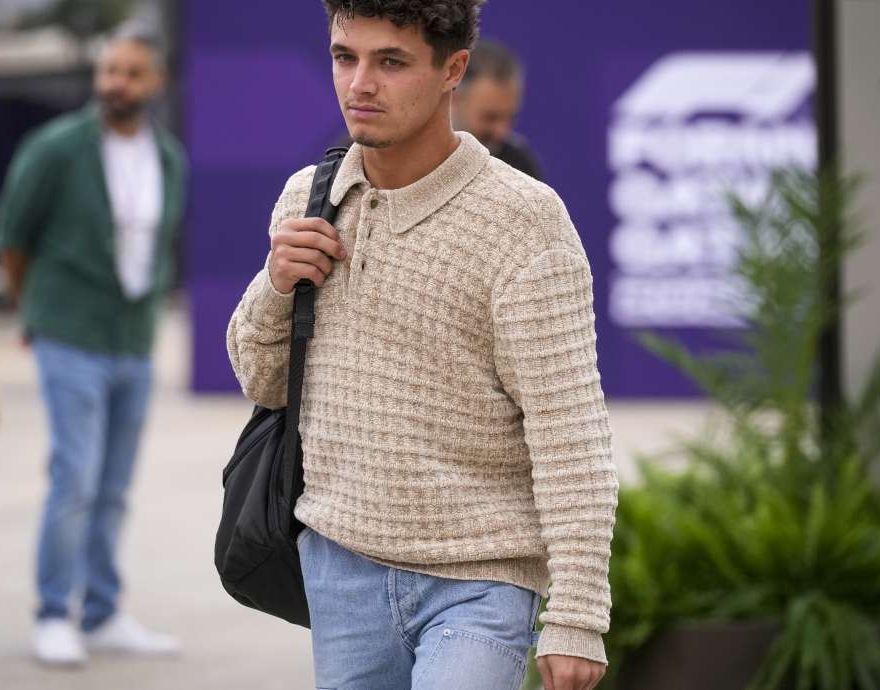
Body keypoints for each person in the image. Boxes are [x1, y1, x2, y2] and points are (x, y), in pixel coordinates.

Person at [226, 2, 617, 690]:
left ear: (452, 69)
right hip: (339, 568)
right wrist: (276, 283)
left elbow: (570, 430)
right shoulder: (309, 199)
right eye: (345, 57)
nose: (360, 84)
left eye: (391, 61)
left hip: (481, 580)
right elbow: (262, 383)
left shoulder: (526, 222)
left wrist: (578, 613)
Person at [0, 28, 187, 667]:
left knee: (115, 486)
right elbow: (12, 236)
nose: (116, 84)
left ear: (155, 82)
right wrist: (36, 311)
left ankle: (101, 613)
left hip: (133, 341)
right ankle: (53, 613)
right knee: (73, 478)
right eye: (109, 71)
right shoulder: (56, 147)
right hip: (69, 335)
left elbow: (157, 247)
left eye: (131, 73)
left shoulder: (168, 158)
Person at [452, 38, 544, 180]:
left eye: (510, 117)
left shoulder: (520, 165)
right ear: (453, 99)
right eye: (490, 117)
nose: (501, 131)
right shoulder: (419, 157)